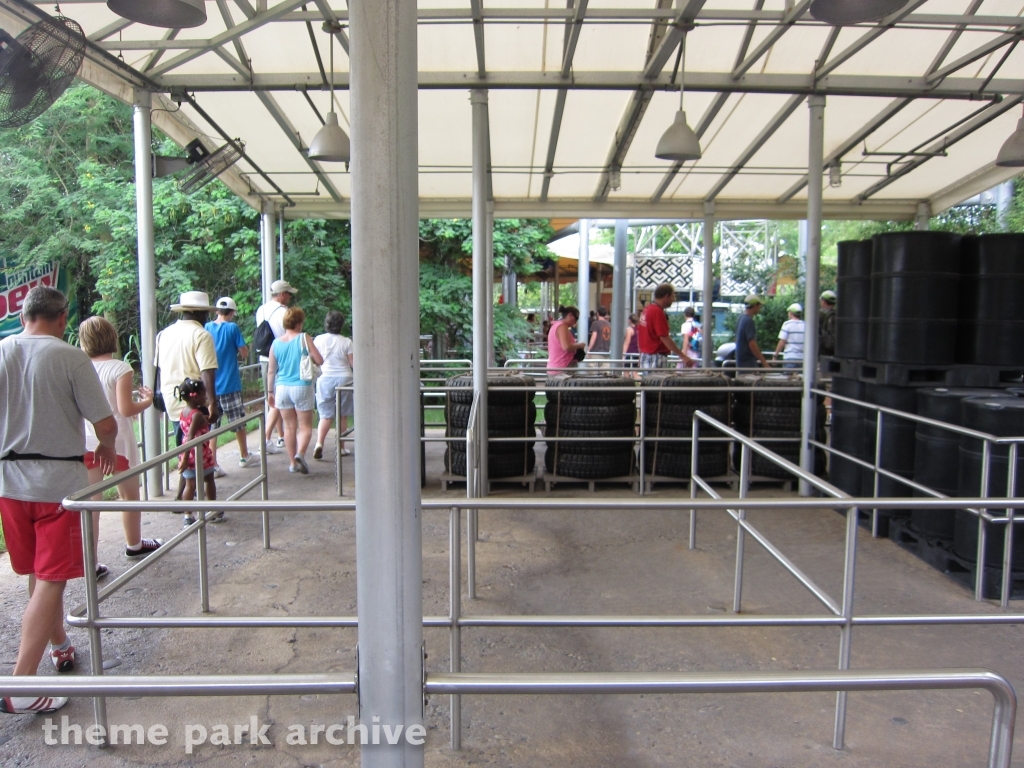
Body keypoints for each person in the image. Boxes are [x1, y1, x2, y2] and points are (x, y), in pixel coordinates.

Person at [0, 287, 117, 715]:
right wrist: (106, 448)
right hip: (57, 484)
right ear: (63, 316)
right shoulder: (69, 357)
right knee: (51, 578)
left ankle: (60, 645)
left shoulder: (2, 350)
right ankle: (20, 684)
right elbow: (104, 421)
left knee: (38, 574)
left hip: (10, 483)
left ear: (25, 313)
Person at [78, 317, 161, 580]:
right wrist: (146, 401)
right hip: (119, 443)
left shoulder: (80, 368)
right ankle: (134, 544)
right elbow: (124, 409)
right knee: (129, 495)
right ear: (112, 337)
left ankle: (90, 563)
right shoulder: (120, 368)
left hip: (88, 442)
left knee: (92, 504)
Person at [155, 291, 220, 445]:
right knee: (197, 452)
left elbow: (158, 369)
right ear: (198, 312)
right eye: (205, 312)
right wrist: (212, 404)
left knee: (183, 449)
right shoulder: (201, 335)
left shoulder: (164, 334)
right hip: (194, 404)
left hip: (172, 400)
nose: (206, 317)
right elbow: (207, 371)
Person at [267, 307, 324, 474]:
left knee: (289, 427)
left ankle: (292, 463)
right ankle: (300, 453)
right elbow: (320, 360)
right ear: (299, 323)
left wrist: (270, 392)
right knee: (305, 426)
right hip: (301, 386)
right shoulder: (304, 338)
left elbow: (271, 370)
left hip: (282, 387)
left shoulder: (276, 343)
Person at [205, 297, 257, 476]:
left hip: (211, 386)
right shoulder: (232, 328)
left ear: (217, 311)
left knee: (213, 427)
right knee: (238, 422)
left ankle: (212, 464)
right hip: (230, 383)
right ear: (232, 312)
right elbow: (244, 352)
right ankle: (244, 455)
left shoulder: (207, 328)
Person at [255, 280, 297, 454]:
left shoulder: (261, 309)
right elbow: (288, 335)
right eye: (288, 294)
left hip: (264, 358)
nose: (289, 297)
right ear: (281, 294)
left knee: (272, 397)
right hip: (280, 358)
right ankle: (264, 440)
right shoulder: (284, 312)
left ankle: (280, 436)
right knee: (277, 401)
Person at [174, 378, 219, 528]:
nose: (206, 397)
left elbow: (207, 421)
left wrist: (184, 456)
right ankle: (213, 510)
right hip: (199, 454)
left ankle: (188, 515)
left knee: (190, 485)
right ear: (195, 396)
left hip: (188, 453)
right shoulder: (197, 415)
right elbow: (190, 435)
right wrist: (186, 458)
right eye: (204, 395)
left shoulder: (185, 412)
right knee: (209, 480)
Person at [313, 310, 354, 460]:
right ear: (341, 325)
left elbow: (315, 359)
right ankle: (341, 447)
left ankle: (319, 443)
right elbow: (353, 363)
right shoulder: (347, 342)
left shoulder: (318, 340)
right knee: (342, 416)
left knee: (325, 415)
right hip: (345, 378)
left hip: (325, 378)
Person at [637, 283, 685, 371]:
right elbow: (664, 337)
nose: (673, 299)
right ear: (666, 296)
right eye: (672, 296)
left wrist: (641, 354)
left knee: (648, 383)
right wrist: (682, 356)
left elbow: (640, 335)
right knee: (657, 383)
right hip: (656, 356)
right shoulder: (657, 312)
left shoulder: (646, 310)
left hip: (646, 355)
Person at [547, 305, 585, 374]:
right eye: (576, 318)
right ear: (570, 315)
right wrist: (580, 345)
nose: (575, 322)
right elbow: (566, 347)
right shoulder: (562, 326)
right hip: (563, 367)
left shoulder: (555, 325)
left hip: (556, 367)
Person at [735, 294, 768, 369]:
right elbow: (752, 344)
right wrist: (764, 363)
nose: (760, 308)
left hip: (740, 363)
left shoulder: (740, 318)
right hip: (748, 364)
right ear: (755, 305)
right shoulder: (749, 321)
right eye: (759, 305)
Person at [774, 302, 805, 369]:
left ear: (791, 313)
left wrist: (775, 355)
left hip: (789, 357)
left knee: (788, 378)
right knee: (801, 379)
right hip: (802, 359)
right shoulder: (805, 325)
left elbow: (782, 342)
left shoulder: (787, 324)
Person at [819, 289, 837, 357]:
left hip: (823, 351)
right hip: (836, 351)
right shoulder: (839, 314)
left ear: (823, 301)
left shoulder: (819, 314)